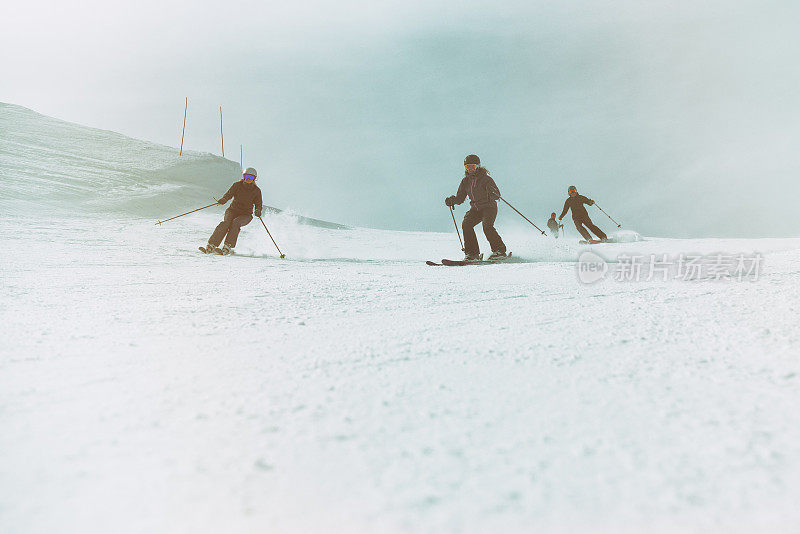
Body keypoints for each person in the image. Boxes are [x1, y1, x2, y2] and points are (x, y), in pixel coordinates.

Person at [445, 154, 507, 261]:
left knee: (487, 226)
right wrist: (452, 201)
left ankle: (499, 250)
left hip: (489, 207)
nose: (470, 169)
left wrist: (492, 192)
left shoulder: (486, 179)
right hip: (476, 208)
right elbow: (460, 198)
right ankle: (472, 254)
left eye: (472, 167)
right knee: (466, 224)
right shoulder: (465, 181)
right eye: (467, 167)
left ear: (478, 166)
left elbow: (497, 195)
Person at [202, 167, 263, 254]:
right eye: (247, 176)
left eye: (251, 177)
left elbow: (259, 203)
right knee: (226, 223)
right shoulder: (237, 185)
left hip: (245, 215)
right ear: (243, 176)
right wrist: (224, 199)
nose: (248, 179)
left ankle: (228, 246)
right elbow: (229, 194)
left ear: (255, 179)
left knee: (235, 223)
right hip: (232, 210)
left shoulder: (256, 191)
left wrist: (258, 210)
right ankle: (212, 244)